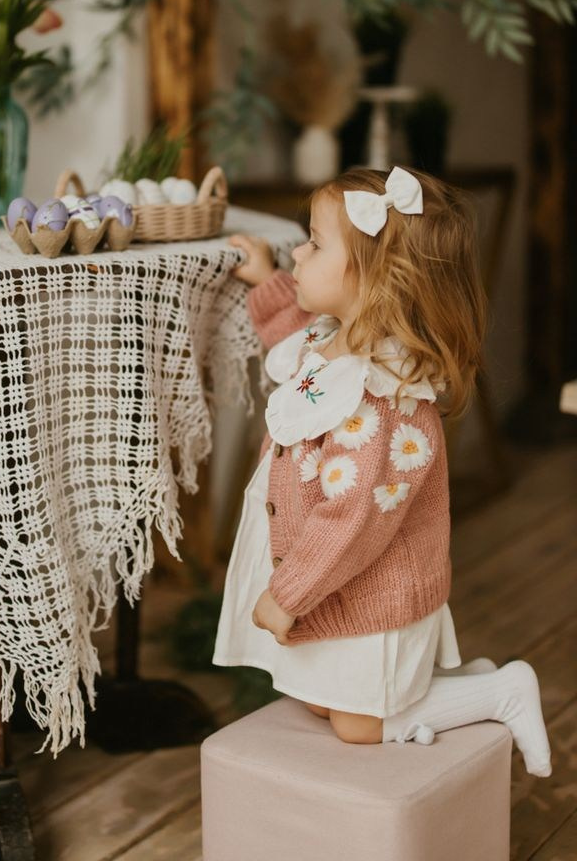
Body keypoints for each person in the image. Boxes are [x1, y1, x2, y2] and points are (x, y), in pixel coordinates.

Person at [213, 165, 552, 777]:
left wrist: (289, 595)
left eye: (315, 243)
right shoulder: (338, 339)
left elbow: (354, 520)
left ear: (371, 279)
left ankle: (499, 692)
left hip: (370, 591)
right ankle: (455, 683)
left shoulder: (387, 403)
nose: (299, 251)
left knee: (357, 725)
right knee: (318, 699)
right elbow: (297, 352)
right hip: (332, 582)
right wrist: (269, 280)